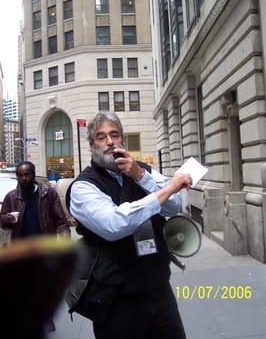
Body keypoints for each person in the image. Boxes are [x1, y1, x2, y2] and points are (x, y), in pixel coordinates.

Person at [69, 111, 192, 339]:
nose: (109, 142)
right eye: (101, 136)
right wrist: (167, 189)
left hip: (159, 292)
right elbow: (115, 224)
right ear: (91, 145)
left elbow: (173, 206)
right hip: (117, 302)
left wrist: (140, 175)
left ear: (122, 139)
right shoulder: (82, 187)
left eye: (114, 135)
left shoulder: (140, 169)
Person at [0, 161, 71, 332]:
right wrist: (5, 219)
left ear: (33, 174)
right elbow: (3, 222)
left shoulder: (48, 194)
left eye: (27, 174)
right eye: (20, 175)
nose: (24, 179)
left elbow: (61, 221)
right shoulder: (11, 197)